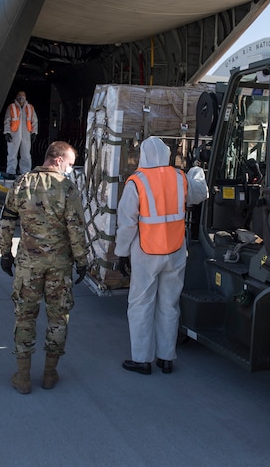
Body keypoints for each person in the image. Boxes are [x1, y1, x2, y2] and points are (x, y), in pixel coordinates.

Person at [0, 140, 88, 394]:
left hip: (28, 265)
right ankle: (49, 373)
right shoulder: (67, 188)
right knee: (58, 318)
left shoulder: (21, 183)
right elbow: (75, 228)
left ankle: (23, 376)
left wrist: (5, 253)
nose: (70, 168)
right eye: (69, 163)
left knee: (25, 317)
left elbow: (7, 219)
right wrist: (82, 260)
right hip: (59, 265)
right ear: (57, 160)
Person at [115, 136, 208, 375]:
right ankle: (166, 358)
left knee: (141, 304)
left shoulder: (137, 182)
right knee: (169, 305)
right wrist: (196, 168)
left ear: (143, 156)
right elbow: (199, 195)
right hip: (175, 251)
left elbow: (127, 223)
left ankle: (141, 359)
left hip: (146, 253)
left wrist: (121, 253)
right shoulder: (179, 177)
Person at [3, 91, 38, 179]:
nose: (21, 97)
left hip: (26, 134)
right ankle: (11, 172)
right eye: (19, 95)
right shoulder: (11, 107)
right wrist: (7, 132)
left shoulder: (30, 108)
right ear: (16, 96)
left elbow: (34, 121)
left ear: (26, 97)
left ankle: (25, 173)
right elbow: (7, 120)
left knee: (26, 155)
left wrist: (34, 132)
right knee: (12, 154)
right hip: (14, 134)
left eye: (23, 95)